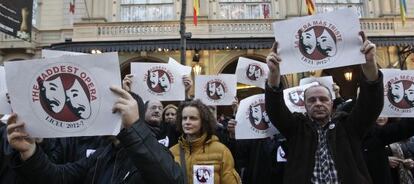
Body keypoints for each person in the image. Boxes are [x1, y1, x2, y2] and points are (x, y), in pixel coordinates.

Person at [265, 31, 383, 183]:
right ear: (305, 105)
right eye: (312, 100)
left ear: (331, 103)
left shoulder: (349, 126)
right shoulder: (296, 128)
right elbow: (275, 110)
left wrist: (370, 66)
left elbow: (370, 106)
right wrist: (274, 75)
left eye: (323, 99)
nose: (318, 103)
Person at [6, 86, 184, 183]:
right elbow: (59, 176)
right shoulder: (101, 155)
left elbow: (172, 179)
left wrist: (134, 127)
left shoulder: (155, 153)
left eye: (115, 110)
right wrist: (30, 152)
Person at [170, 100, 241, 184]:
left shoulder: (221, 151)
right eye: (184, 118)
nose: (187, 122)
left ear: (203, 122)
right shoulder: (172, 152)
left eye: (193, 118)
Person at [362, 117, 414, 184]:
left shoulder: (400, 132)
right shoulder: (366, 136)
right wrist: (384, 160)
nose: (381, 118)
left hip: (400, 178)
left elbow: (409, 153)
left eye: (384, 115)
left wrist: (410, 161)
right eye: (378, 115)